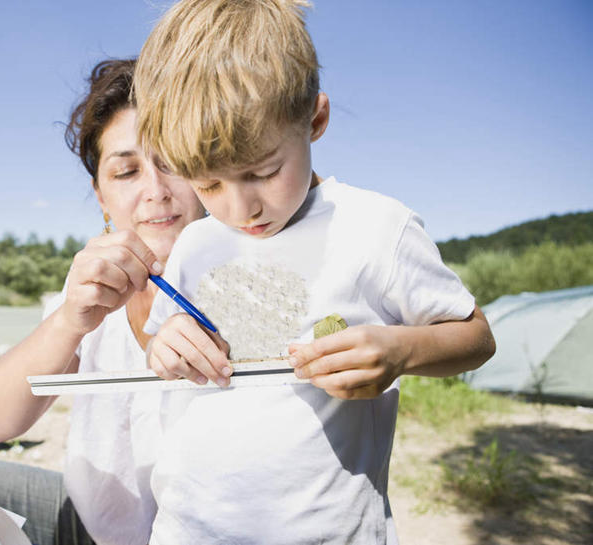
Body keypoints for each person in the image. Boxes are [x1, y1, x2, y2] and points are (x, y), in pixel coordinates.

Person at [133, 1, 497, 543]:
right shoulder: (194, 242)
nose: (240, 209)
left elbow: (476, 338)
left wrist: (400, 352)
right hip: (188, 529)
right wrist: (165, 347)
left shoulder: (376, 227)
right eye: (208, 185)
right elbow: (161, 347)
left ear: (316, 119)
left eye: (263, 172)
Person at [0, 58, 205, 545]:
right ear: (100, 196)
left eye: (173, 162)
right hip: (93, 524)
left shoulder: (248, 279)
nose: (155, 191)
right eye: (126, 172)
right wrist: (70, 320)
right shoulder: (89, 292)